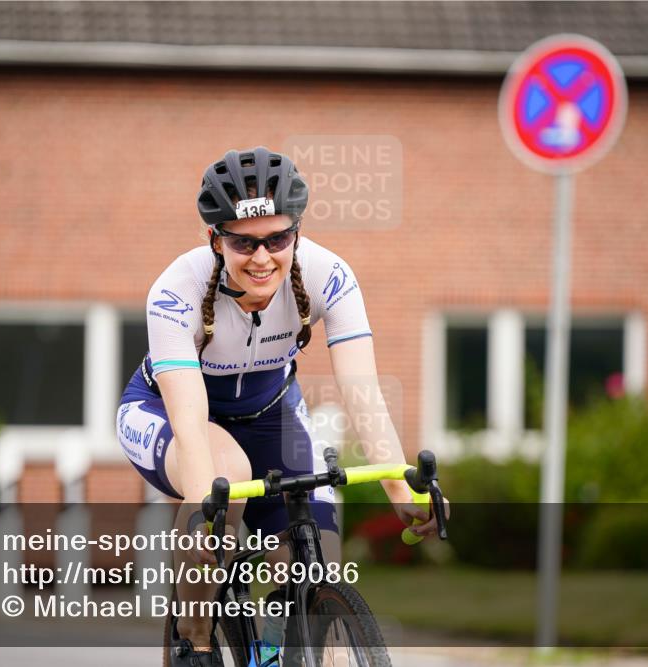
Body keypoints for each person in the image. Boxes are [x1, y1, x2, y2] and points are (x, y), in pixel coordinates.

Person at [117, 146, 442, 665]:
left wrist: (400, 487)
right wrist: (207, 517)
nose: (262, 257)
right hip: (171, 414)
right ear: (215, 240)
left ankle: (289, 643)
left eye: (277, 239)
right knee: (224, 481)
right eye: (243, 242)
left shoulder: (328, 275)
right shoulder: (176, 290)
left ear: (297, 232)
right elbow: (190, 420)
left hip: (272, 415)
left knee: (318, 564)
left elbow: (362, 391)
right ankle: (194, 640)